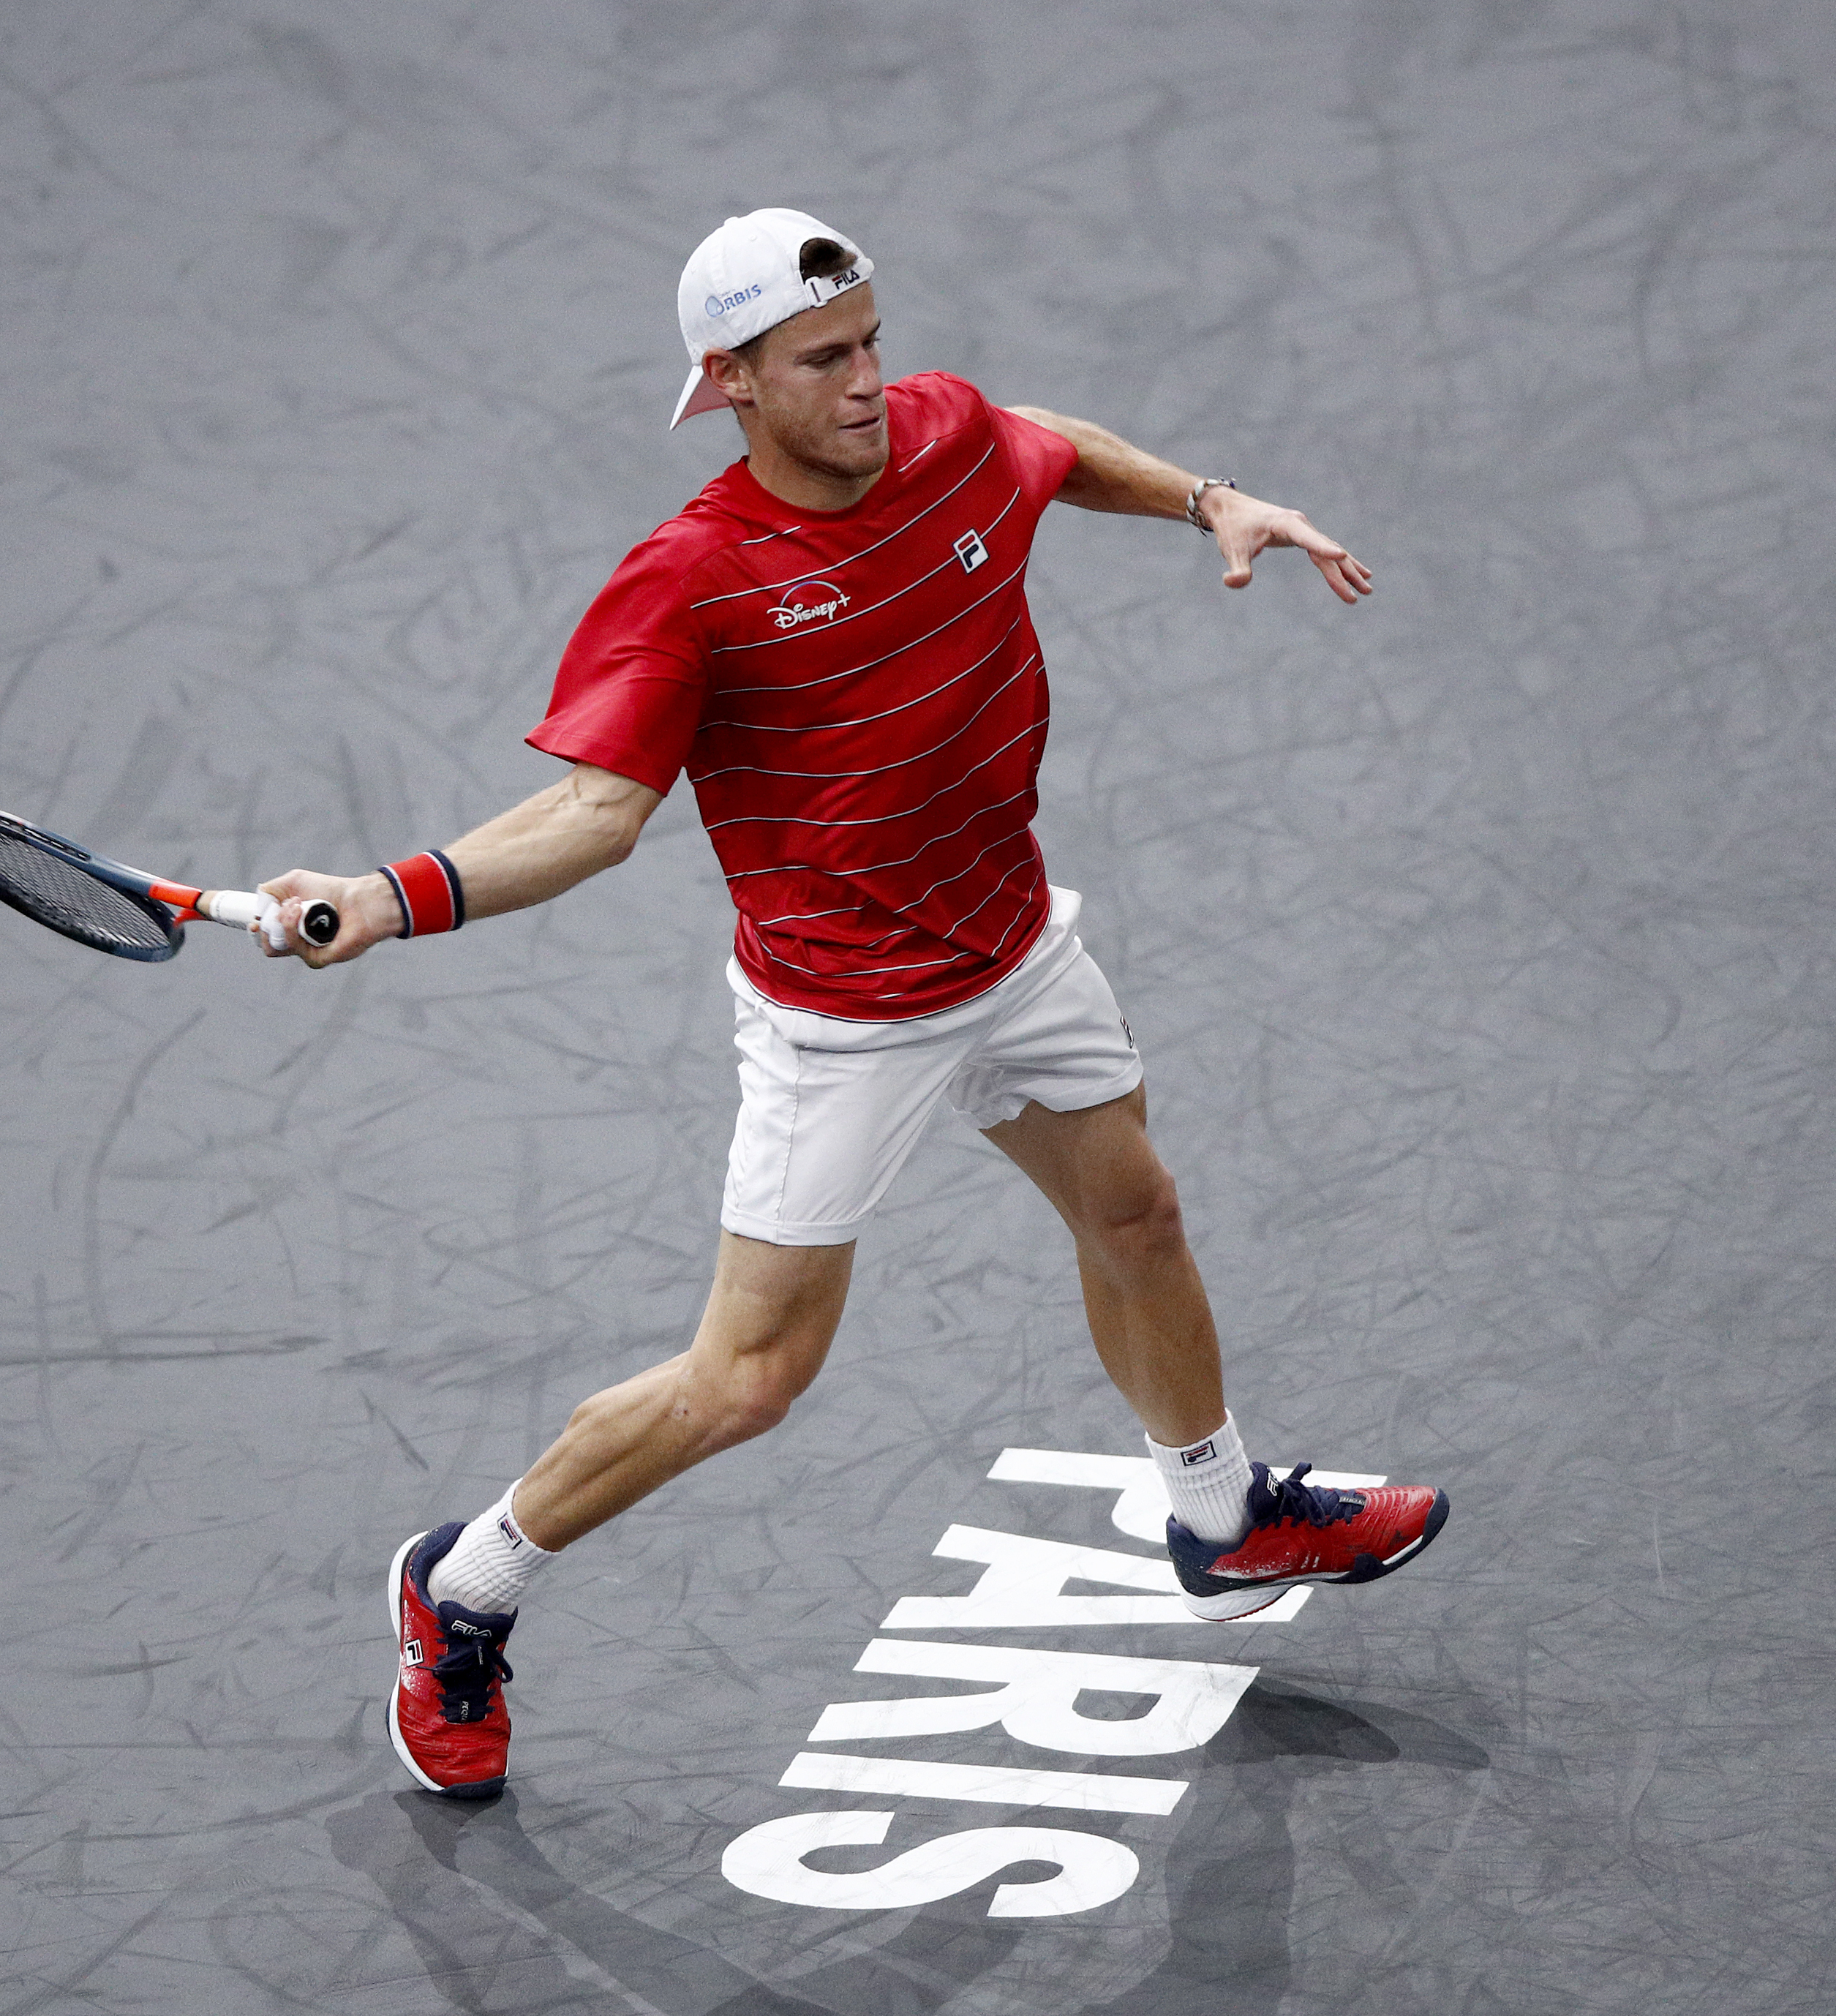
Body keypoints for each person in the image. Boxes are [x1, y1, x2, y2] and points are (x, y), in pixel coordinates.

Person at [257, 209, 1448, 1800]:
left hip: (1014, 946)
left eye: (873, 339)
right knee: (745, 1382)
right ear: (731, 382)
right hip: (847, 1016)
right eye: (825, 360)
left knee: (1138, 1215)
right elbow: (593, 816)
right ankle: (457, 1588)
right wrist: (394, 893)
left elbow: (1049, 447)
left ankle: (1223, 1517)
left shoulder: (945, 431)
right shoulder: (692, 583)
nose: (871, 380)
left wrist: (1213, 501)